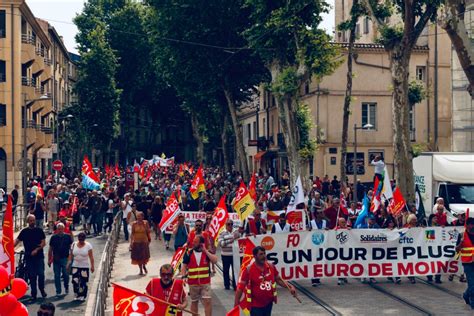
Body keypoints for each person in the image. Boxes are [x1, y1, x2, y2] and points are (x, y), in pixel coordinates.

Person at [235, 246, 296, 316]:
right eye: (261, 254)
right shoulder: (248, 270)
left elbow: (279, 280)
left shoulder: (271, 267)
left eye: (264, 253)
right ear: (254, 256)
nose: (264, 256)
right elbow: (240, 288)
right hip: (255, 306)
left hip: (268, 304)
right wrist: (236, 304)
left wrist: (290, 287)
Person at [181, 235, 218, 316]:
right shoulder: (188, 252)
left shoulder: (207, 252)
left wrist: (206, 251)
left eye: (195, 242)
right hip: (193, 283)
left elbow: (215, 260)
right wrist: (183, 277)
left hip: (205, 283)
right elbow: (184, 266)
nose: (193, 243)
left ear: (201, 244)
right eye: (193, 241)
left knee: (208, 301)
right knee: (194, 302)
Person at [15, 214, 47, 300]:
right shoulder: (24, 231)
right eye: (31, 220)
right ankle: (34, 294)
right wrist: (9, 247)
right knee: (32, 276)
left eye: (33, 220)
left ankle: (42, 289)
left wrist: (37, 250)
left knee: (41, 274)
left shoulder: (39, 230)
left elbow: (43, 243)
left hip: (39, 256)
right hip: (29, 257)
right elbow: (16, 241)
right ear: (28, 221)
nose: (32, 222)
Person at [48, 222, 73, 296]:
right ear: (57, 229)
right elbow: (50, 249)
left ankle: (66, 287)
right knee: (57, 275)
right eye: (59, 229)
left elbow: (71, 248)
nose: (60, 230)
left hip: (65, 258)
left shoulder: (68, 237)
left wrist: (71, 259)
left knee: (66, 275)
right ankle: (58, 291)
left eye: (61, 229)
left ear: (64, 229)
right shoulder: (53, 237)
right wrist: (49, 259)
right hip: (56, 259)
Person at [67, 232, 95, 301]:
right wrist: (68, 263)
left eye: (82, 240)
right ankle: (76, 293)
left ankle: (82, 295)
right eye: (80, 240)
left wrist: (92, 266)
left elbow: (91, 257)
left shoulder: (88, 245)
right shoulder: (74, 244)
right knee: (75, 280)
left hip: (84, 266)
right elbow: (70, 255)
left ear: (84, 239)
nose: (81, 241)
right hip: (75, 265)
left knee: (83, 281)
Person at [456, 217, 474, 310]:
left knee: (473, 284)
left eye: (473, 224)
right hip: (467, 262)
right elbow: (456, 249)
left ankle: (466, 295)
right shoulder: (462, 235)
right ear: (466, 225)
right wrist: (460, 244)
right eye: (470, 225)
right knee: (472, 284)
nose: (472, 226)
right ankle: (472, 302)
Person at [218, 219, 241, 290]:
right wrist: (231, 240)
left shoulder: (236, 232)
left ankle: (235, 285)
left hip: (235, 254)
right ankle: (227, 285)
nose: (230, 225)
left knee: (235, 270)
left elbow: (241, 240)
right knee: (226, 270)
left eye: (231, 224)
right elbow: (221, 244)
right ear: (226, 225)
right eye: (228, 224)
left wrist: (239, 236)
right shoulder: (222, 233)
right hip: (225, 255)